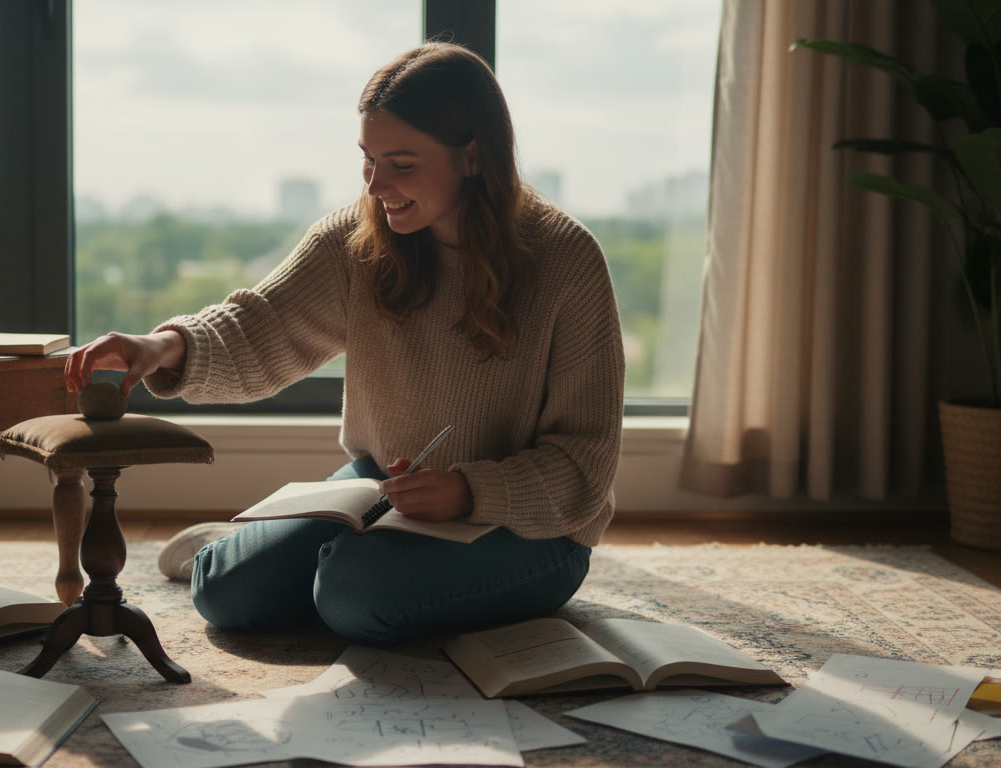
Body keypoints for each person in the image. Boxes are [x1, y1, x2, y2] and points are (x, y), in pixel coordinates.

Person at [64, 41, 624, 645]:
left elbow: (583, 465)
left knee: (355, 596)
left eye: (402, 164)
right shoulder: (356, 241)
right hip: (383, 486)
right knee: (225, 590)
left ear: (472, 155)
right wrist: (161, 347)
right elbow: (261, 327)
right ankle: (271, 554)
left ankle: (337, 568)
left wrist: (468, 490)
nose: (377, 185)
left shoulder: (566, 261)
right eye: (368, 158)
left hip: (532, 528)